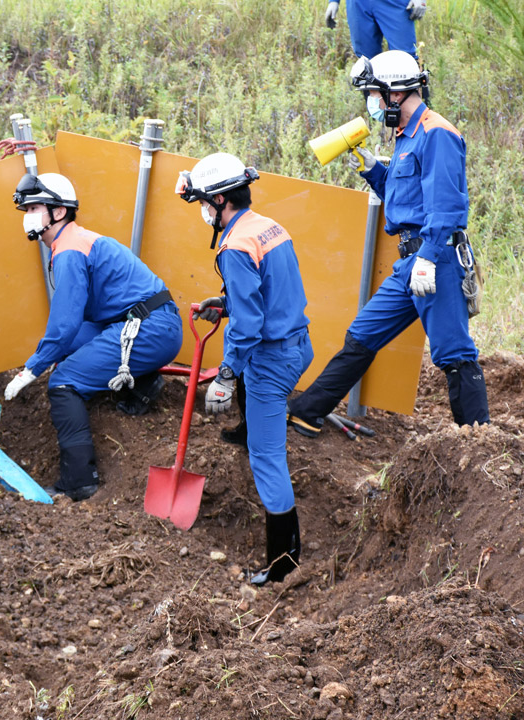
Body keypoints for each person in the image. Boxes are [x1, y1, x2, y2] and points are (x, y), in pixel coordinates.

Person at [287, 50, 488, 435]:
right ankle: (308, 412)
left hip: (437, 258)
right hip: (410, 262)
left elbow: (446, 206)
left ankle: (481, 442)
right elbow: (406, 202)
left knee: (455, 354)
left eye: (374, 94)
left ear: (395, 94)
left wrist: (428, 258)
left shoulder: (437, 134)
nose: (372, 103)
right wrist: (371, 169)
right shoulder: (404, 136)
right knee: (362, 334)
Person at [4, 173, 183, 502]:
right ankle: (143, 383)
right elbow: (68, 332)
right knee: (66, 351)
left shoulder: (69, 250)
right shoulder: (71, 242)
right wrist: (45, 356)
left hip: (150, 328)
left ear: (59, 212)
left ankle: (79, 481)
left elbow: (64, 325)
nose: (29, 215)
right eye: (26, 208)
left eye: (35, 207)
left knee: (63, 381)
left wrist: (31, 369)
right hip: (147, 322)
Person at [176, 153, 313, 585]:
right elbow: (267, 291)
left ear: (219, 201)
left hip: (271, 361)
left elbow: (251, 325)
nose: (201, 211)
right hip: (297, 342)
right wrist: (228, 302)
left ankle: (283, 567)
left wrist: (226, 375)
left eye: (202, 202)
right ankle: (250, 425)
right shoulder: (267, 227)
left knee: (267, 458)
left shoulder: (235, 245)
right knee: (261, 439)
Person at [324, 0, 425, 59]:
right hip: (359, 4)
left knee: (405, 57)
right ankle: (374, 95)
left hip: (394, 3)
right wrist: (333, 1)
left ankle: (414, 94)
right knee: (366, 60)